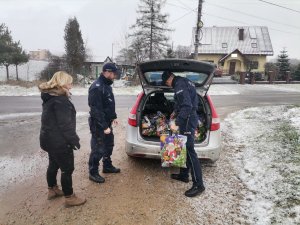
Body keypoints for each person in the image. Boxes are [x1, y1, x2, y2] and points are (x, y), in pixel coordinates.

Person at [39, 71, 86, 207]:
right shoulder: (61, 100)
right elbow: (65, 125)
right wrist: (74, 141)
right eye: (69, 82)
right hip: (59, 142)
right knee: (67, 169)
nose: (71, 84)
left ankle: (52, 189)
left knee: (53, 164)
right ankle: (69, 197)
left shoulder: (50, 96)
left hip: (48, 139)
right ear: (62, 83)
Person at [161, 71, 205, 197]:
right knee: (184, 147)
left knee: (190, 151)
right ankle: (184, 175)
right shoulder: (185, 82)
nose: (168, 85)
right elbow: (181, 102)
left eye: (167, 83)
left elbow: (186, 106)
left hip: (187, 119)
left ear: (170, 78)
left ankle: (199, 185)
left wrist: (177, 122)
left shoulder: (179, 85)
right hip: (188, 118)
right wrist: (175, 111)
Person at [88, 62, 120, 184]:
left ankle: (107, 166)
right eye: (113, 73)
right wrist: (105, 126)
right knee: (98, 148)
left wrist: (113, 117)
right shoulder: (97, 87)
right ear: (106, 72)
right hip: (99, 124)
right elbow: (96, 110)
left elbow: (109, 104)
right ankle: (93, 172)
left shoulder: (107, 85)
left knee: (109, 145)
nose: (115, 76)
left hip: (106, 122)